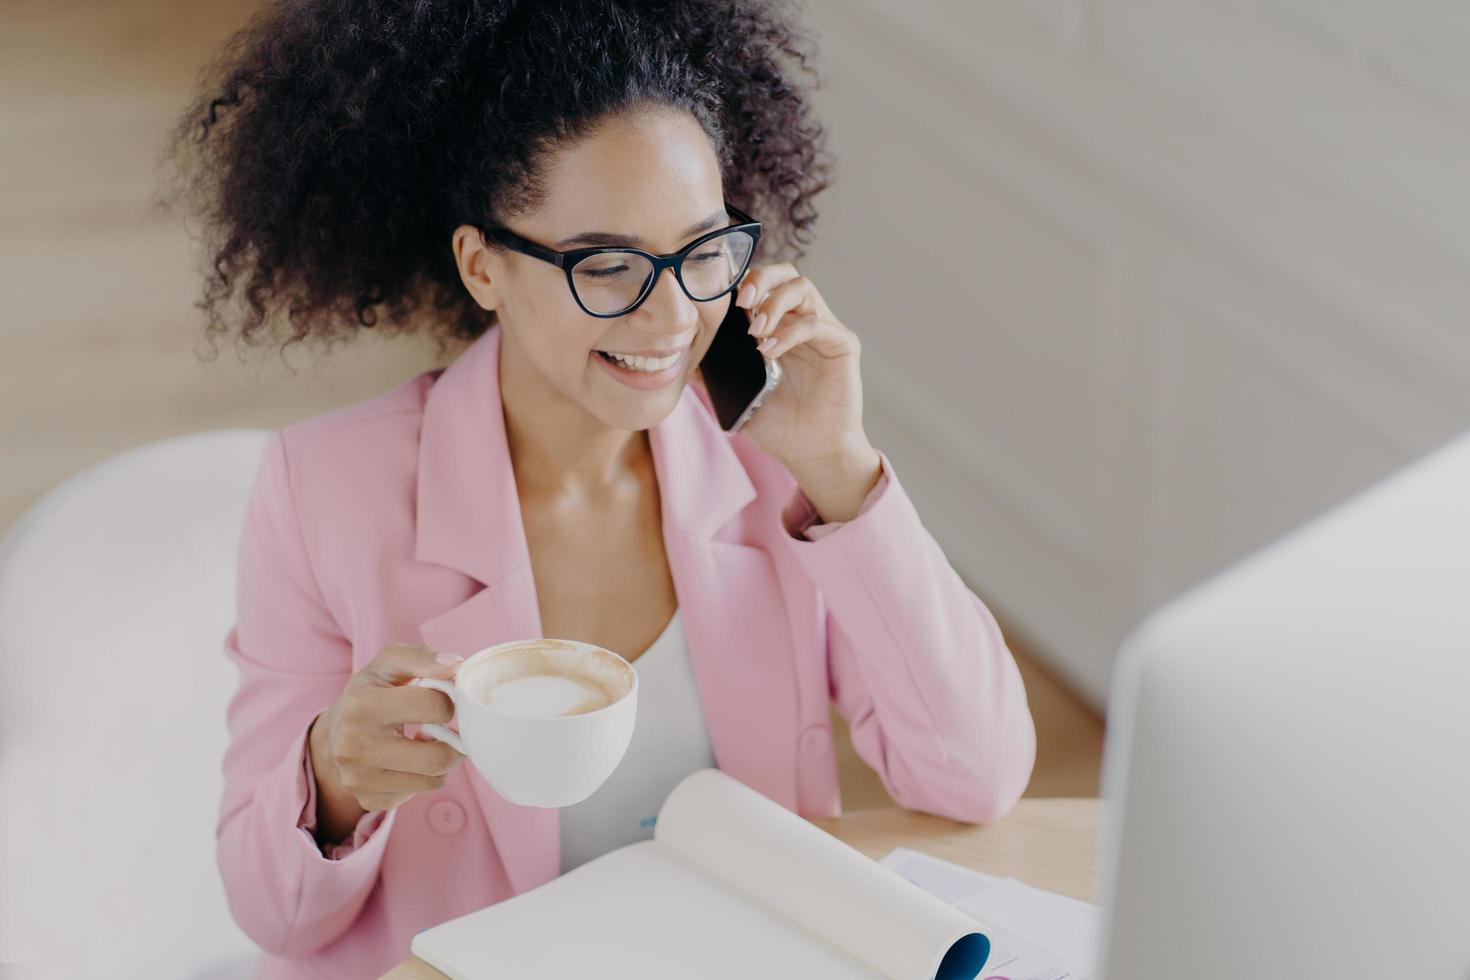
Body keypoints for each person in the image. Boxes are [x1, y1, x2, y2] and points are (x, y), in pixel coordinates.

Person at [168, 0, 1036, 975]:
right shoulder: (324, 490)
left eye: (704, 251)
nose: (673, 313)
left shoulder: (768, 456)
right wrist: (333, 776)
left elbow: (979, 773)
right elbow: (274, 917)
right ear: (482, 265)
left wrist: (840, 465)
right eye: (611, 264)